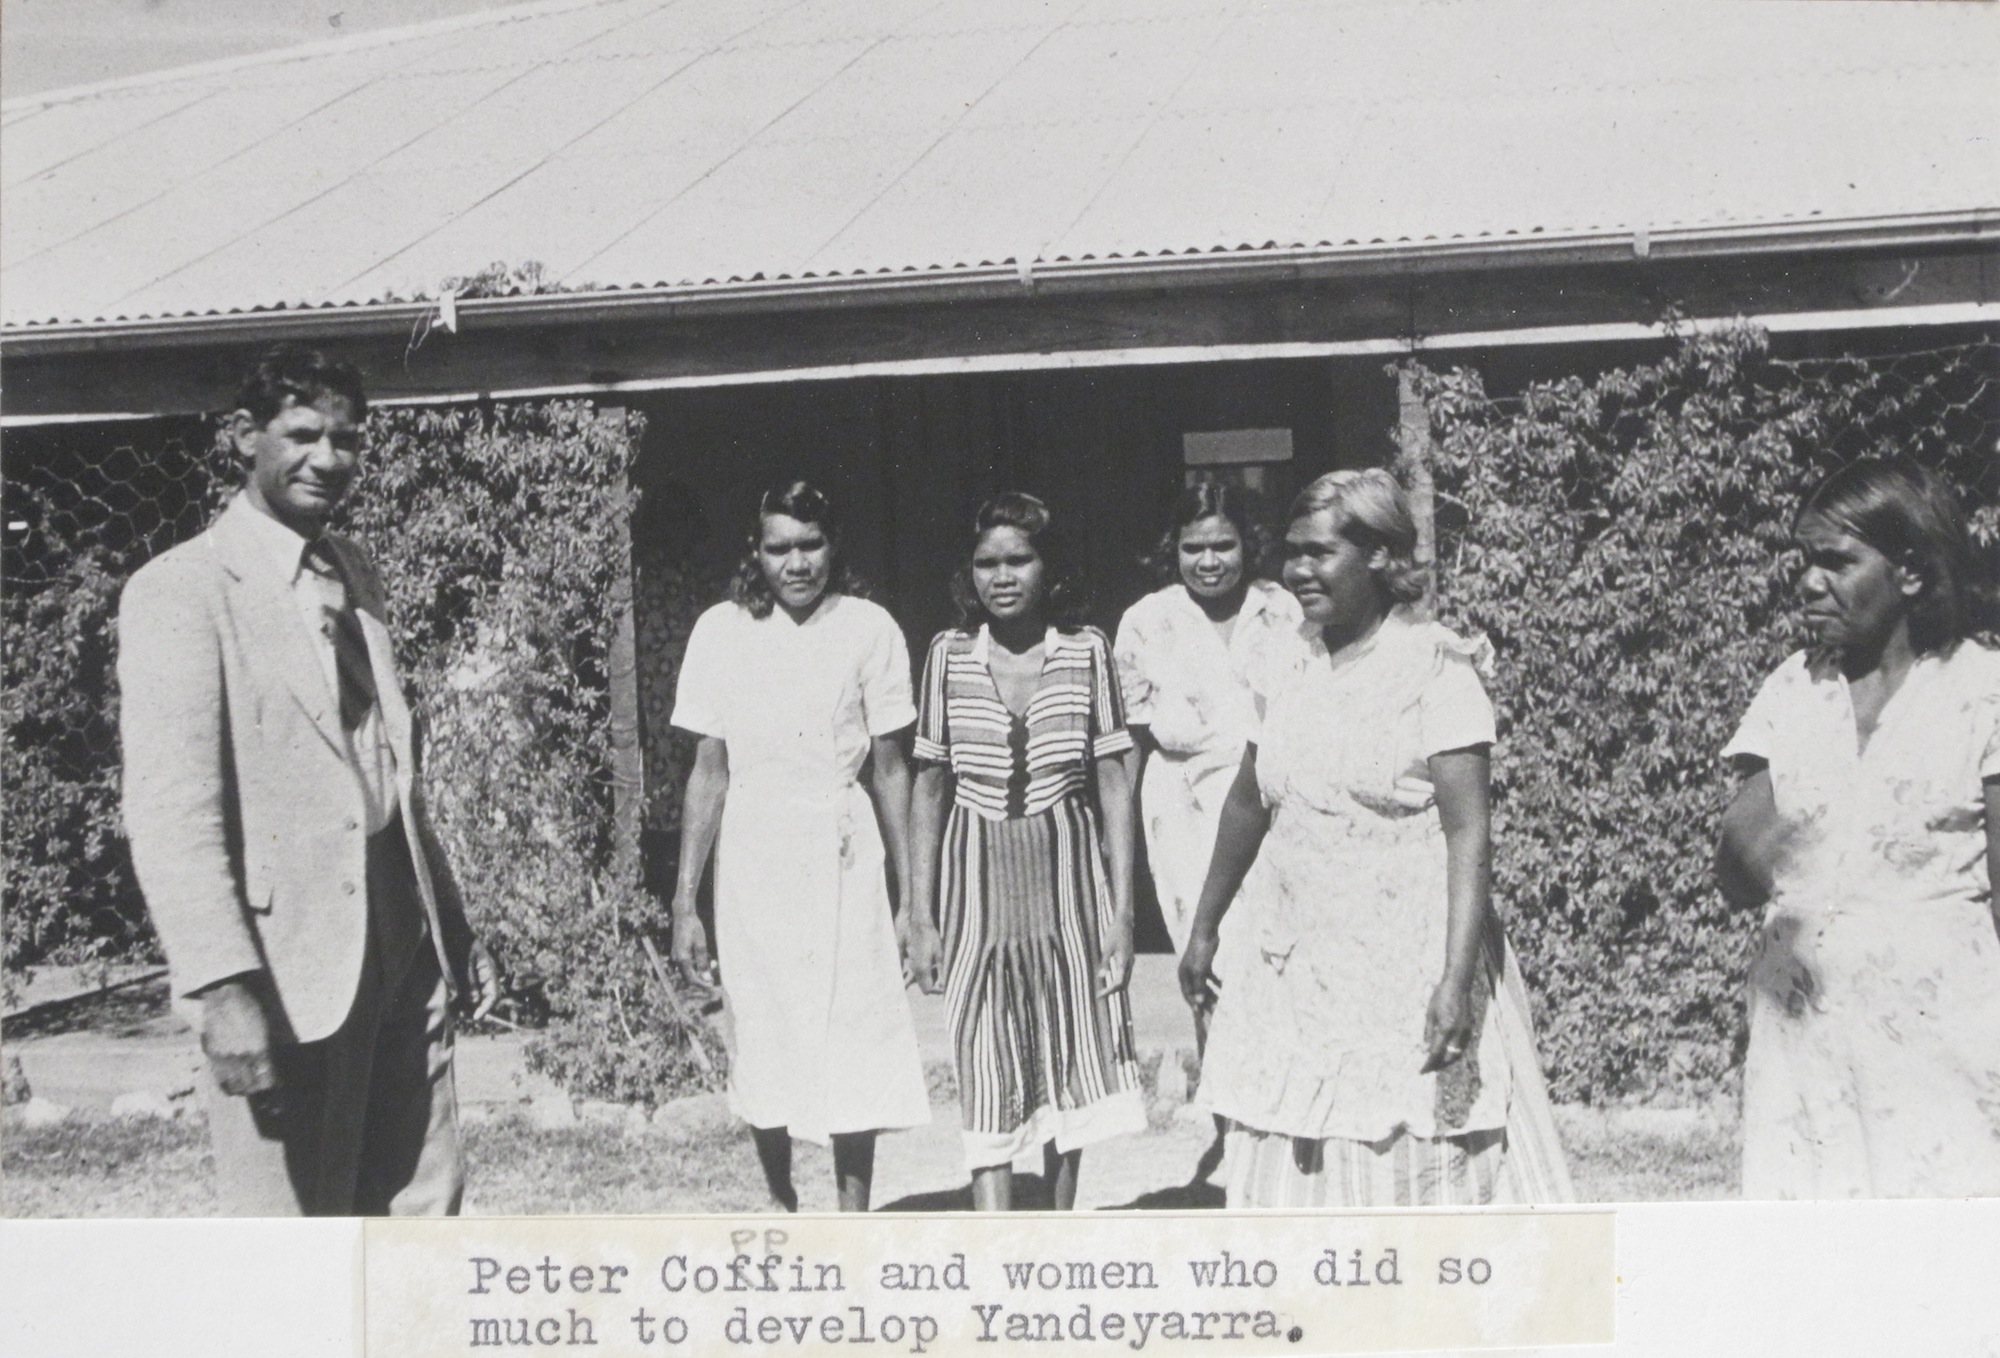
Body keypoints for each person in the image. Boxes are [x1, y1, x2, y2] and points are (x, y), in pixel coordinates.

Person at [118, 344, 497, 1216]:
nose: (329, 459)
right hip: (285, 960)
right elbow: (174, 814)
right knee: (293, 1229)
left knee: (420, 1197)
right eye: (303, 435)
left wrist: (449, 923)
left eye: (349, 439)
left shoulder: (353, 571)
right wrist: (221, 986)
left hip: (397, 932)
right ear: (243, 438)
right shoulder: (182, 591)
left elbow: (386, 764)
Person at [1178, 468, 1572, 1208]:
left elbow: (1468, 836)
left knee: (1413, 1159)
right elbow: (1247, 800)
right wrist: (1204, 926)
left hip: (1404, 960)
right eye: (1292, 553)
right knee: (1294, 1146)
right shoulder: (1285, 659)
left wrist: (1455, 980)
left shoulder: (1435, 669)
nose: (1298, 571)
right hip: (1296, 964)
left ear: (1383, 559)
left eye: (1321, 553)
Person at [1717, 458, 2000, 1199]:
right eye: (1805, 561)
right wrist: (1747, 844)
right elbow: (1735, 877)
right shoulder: (1792, 690)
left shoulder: (1982, 693)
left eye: (1836, 561)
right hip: (1801, 1045)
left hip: (1941, 1043)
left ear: (1910, 572)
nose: (1809, 581)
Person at [669, 480, 931, 1212]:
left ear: (833, 544)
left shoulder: (871, 628)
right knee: (765, 1028)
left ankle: (854, 1214)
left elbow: (889, 769)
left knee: (854, 1028)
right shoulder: (720, 630)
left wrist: (913, 900)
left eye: (810, 544)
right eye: (779, 547)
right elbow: (709, 772)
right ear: (756, 552)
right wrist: (683, 902)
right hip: (755, 857)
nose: (797, 563)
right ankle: (782, 1200)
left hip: (844, 853)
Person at [909, 491, 1147, 1210]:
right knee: (982, 1043)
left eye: (1019, 559)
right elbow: (928, 784)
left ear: (1051, 567)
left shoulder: (1087, 651)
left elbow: (1112, 781)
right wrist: (919, 912)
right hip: (975, 873)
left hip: (1067, 875)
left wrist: (1123, 912)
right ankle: (995, 1240)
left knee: (1068, 1040)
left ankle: (1057, 1224)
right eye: (986, 563)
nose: (1002, 577)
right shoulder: (947, 657)